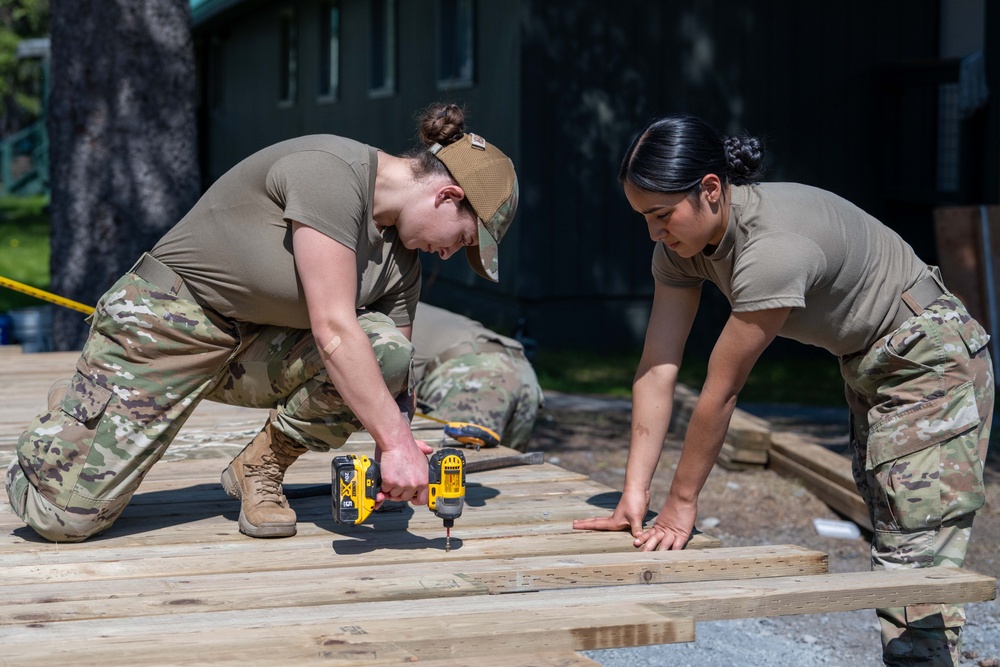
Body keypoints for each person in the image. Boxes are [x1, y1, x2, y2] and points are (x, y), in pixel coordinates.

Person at [573, 114, 993, 666]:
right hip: (873, 364)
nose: (654, 232)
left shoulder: (772, 250)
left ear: (711, 188)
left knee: (914, 550)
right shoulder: (680, 246)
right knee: (896, 531)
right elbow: (657, 367)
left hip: (929, 362)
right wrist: (635, 492)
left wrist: (680, 505)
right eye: (643, 217)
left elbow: (722, 391)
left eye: (662, 214)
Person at [6, 102, 519, 542]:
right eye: (463, 239)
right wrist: (394, 445)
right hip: (165, 326)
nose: (450, 254)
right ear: (447, 197)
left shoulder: (402, 264)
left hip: (253, 349)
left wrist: (402, 451)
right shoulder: (330, 172)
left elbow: (394, 376)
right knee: (62, 520)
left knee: (386, 351)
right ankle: (81, 410)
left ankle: (260, 466)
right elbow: (333, 329)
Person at [410, 301, 543, 451]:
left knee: (456, 460)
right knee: (505, 461)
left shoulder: (391, 309)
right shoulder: (406, 301)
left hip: (477, 375)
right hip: (522, 371)